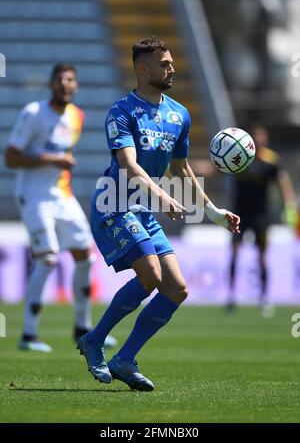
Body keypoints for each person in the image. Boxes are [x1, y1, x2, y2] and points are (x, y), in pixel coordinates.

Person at [77, 36, 240, 391]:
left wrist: (212, 211)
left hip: (144, 208)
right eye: (163, 63)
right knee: (150, 274)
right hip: (114, 204)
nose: (171, 68)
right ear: (142, 68)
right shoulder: (121, 112)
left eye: (171, 62)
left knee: (177, 288)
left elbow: (181, 169)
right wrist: (163, 196)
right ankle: (94, 341)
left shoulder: (179, 114)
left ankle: (125, 358)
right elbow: (130, 166)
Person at [4, 63, 117, 352]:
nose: (65, 84)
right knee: (48, 258)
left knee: (85, 255)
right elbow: (11, 158)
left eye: (70, 80)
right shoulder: (33, 113)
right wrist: (51, 160)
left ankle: (83, 327)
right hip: (34, 195)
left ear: (76, 86)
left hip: (62, 196)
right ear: (52, 84)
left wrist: (59, 164)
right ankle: (28, 335)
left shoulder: (77, 116)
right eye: (60, 79)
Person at [228, 124, 297, 316]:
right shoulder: (238, 157)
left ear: (265, 140)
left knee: (262, 257)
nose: (257, 140)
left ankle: (264, 298)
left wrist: (289, 205)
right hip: (238, 215)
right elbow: (216, 169)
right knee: (234, 254)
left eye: (260, 137)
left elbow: (283, 183)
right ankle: (231, 296)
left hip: (261, 216)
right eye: (254, 137)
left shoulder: (271, 161)